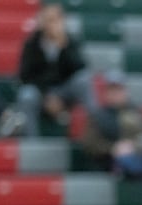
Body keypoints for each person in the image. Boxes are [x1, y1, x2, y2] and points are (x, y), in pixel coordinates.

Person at [16, 2, 97, 137]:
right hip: (41, 94)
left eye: (55, 19)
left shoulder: (70, 41)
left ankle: (96, 134)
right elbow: (25, 76)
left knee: (84, 80)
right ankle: (31, 144)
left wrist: (63, 48)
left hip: (65, 92)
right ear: (41, 21)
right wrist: (47, 96)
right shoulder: (32, 44)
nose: (52, 24)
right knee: (26, 94)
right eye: (49, 19)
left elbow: (80, 68)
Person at [79, 69, 142, 179]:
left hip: (137, 156)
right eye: (112, 89)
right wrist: (113, 148)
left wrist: (133, 147)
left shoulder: (136, 113)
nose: (116, 93)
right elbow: (89, 144)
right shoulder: (98, 116)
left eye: (119, 89)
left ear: (126, 92)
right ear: (106, 93)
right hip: (109, 162)